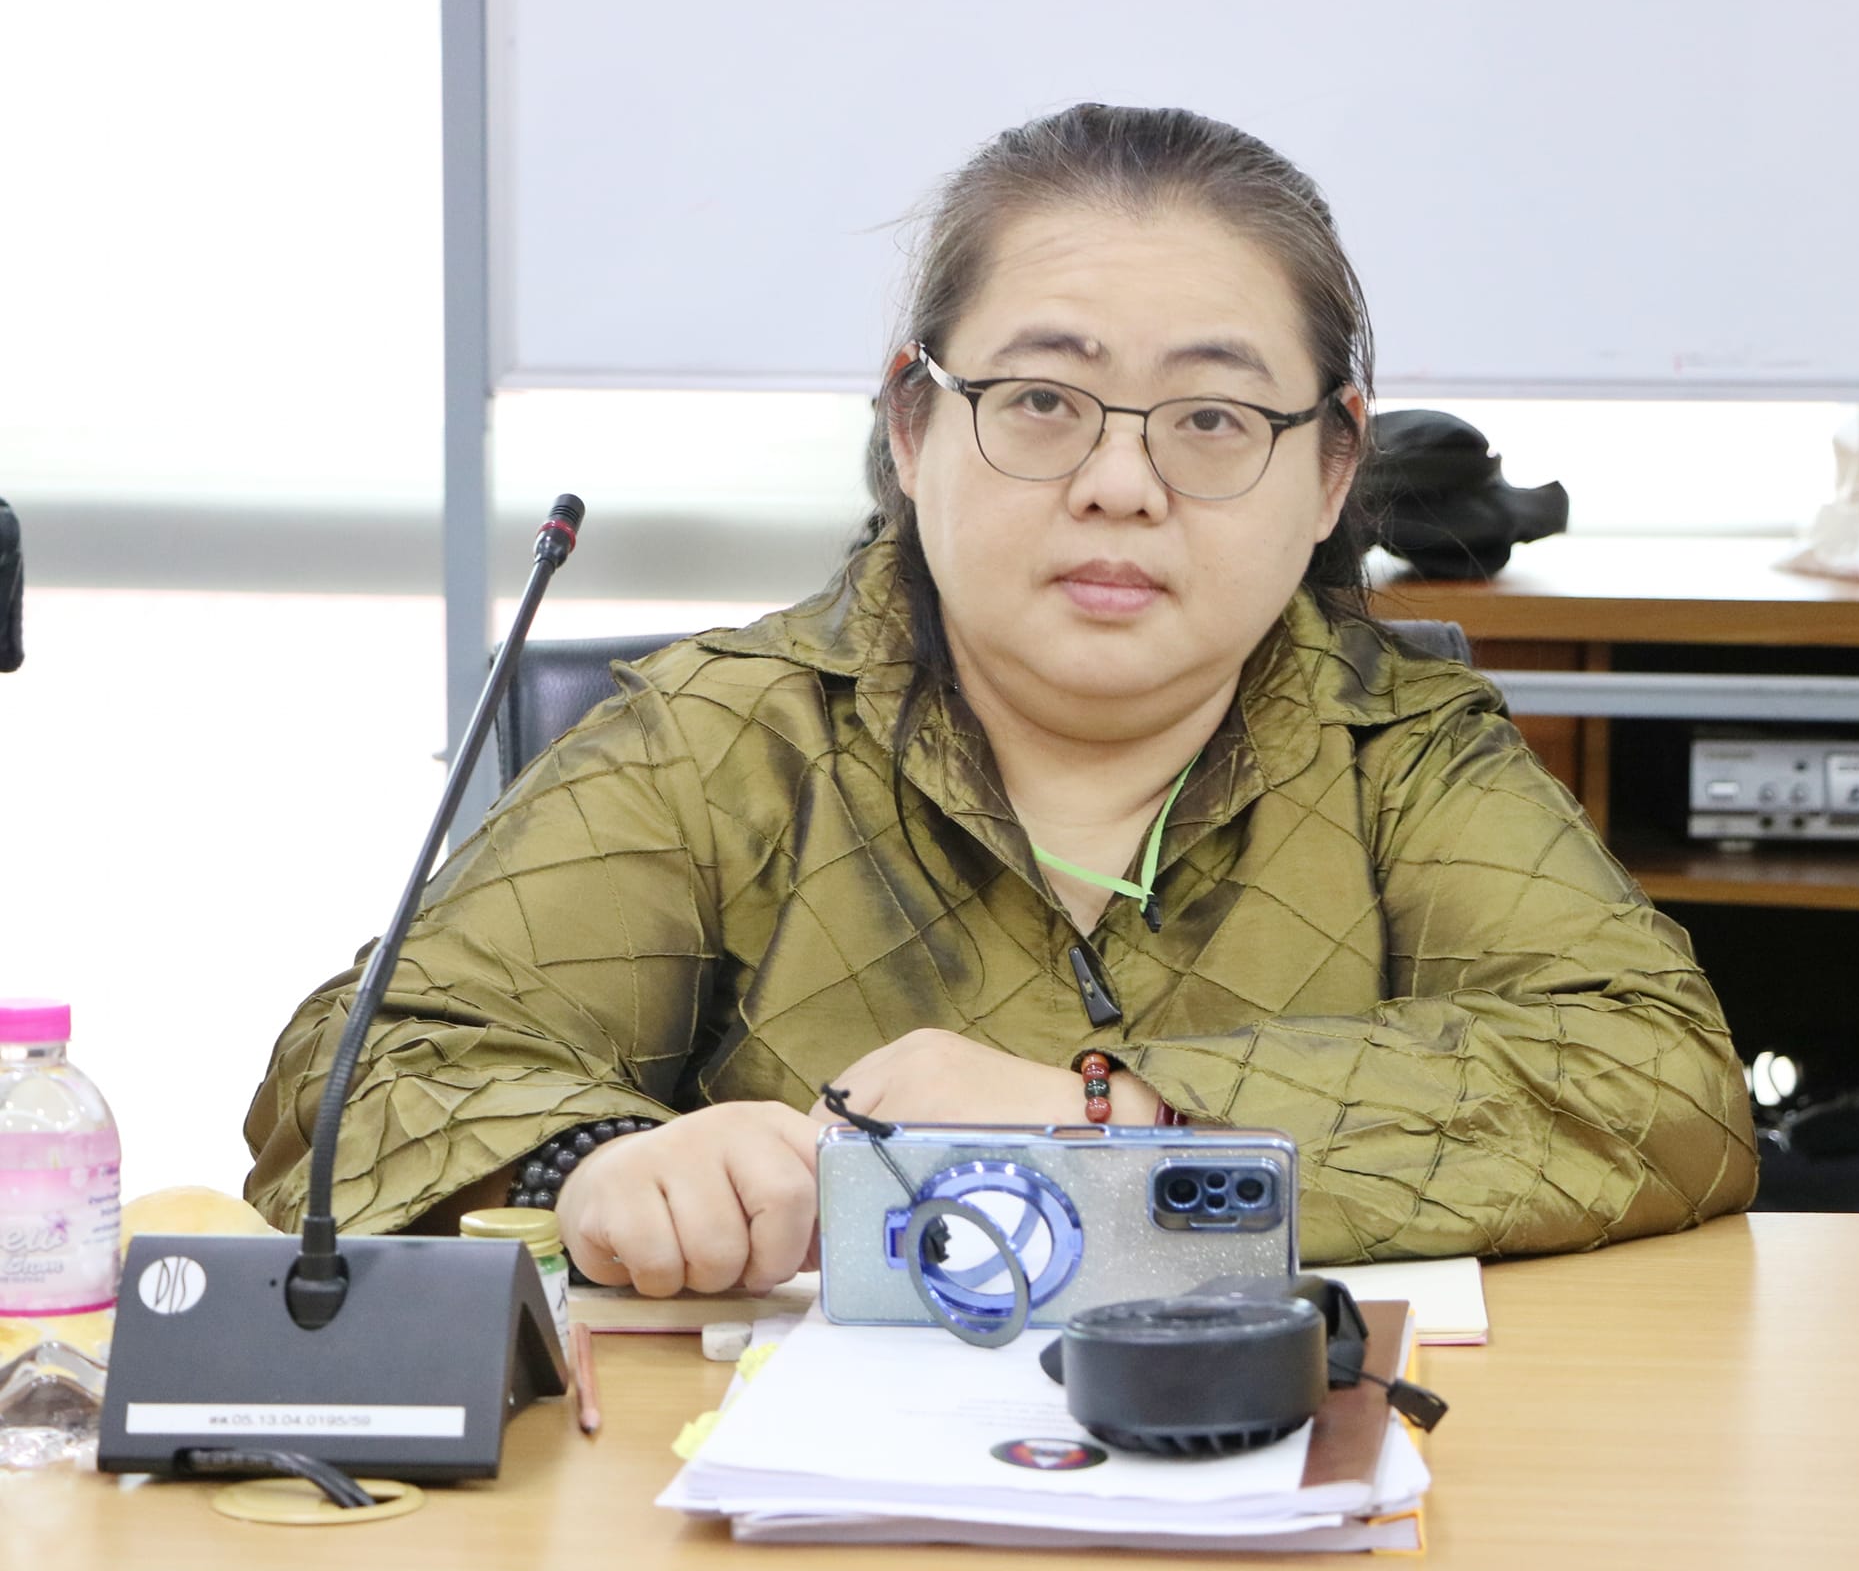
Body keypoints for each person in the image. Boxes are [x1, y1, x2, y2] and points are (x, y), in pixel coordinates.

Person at [244, 104, 1757, 1295]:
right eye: (1041, 401)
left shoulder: (1396, 747)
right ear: (913, 426)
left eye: (1212, 418)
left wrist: (1105, 1113)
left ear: (1328, 470)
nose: (1119, 485)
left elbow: (1663, 1085)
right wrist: (592, 1160)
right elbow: (355, 1078)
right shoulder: (726, 738)